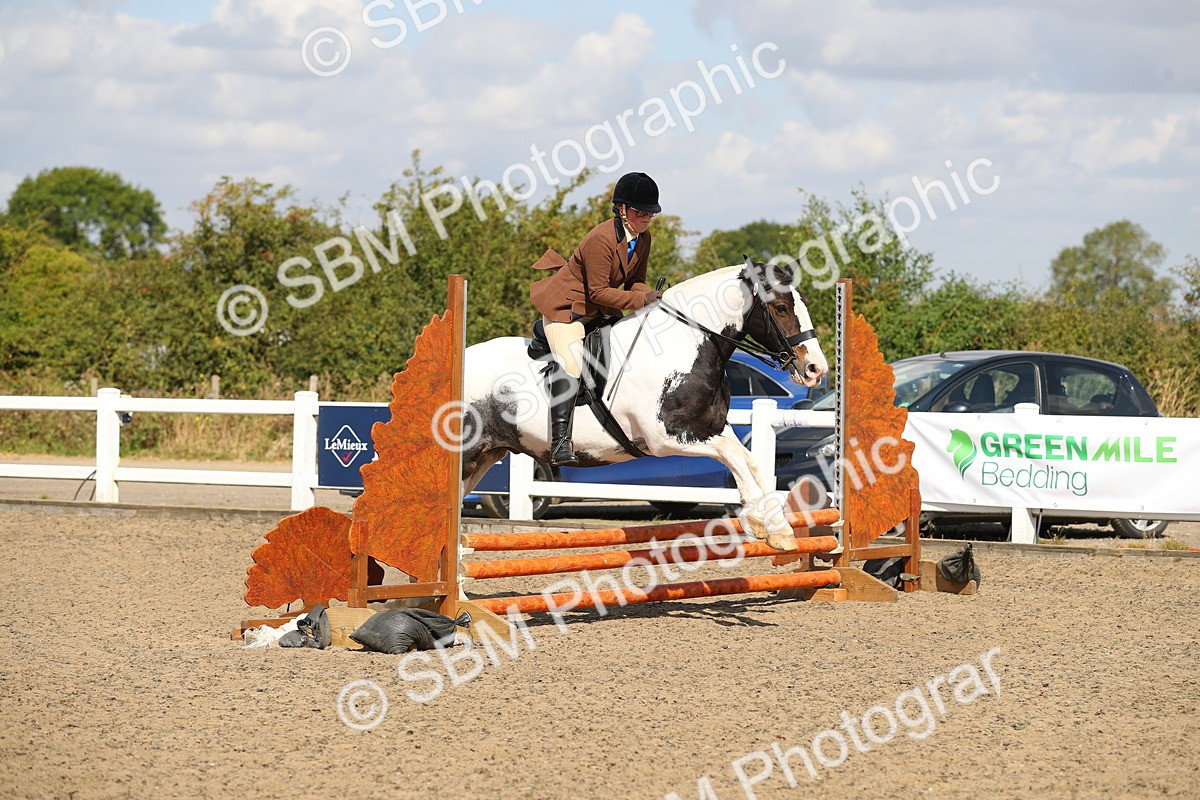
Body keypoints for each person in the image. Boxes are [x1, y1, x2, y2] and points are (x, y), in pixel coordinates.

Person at [528, 171, 664, 466]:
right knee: (572, 363)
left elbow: (635, 283)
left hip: (598, 310)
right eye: (640, 212)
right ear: (622, 209)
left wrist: (649, 297)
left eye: (650, 214)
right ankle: (560, 442)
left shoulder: (642, 238)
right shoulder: (601, 239)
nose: (646, 218)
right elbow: (600, 292)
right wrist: (641, 300)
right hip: (567, 309)